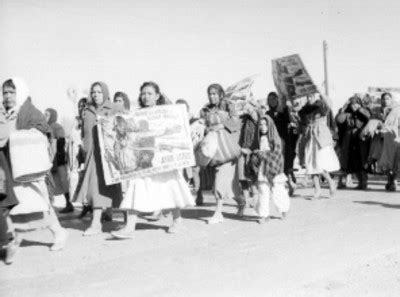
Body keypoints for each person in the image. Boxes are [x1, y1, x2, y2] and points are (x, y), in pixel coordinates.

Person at [111, 82, 194, 239]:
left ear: (157, 95)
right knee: (136, 187)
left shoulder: (167, 113)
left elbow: (175, 130)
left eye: (149, 93)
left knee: (171, 186)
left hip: (163, 159)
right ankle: (130, 227)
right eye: (143, 93)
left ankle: (178, 221)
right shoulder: (136, 115)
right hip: (144, 160)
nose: (146, 96)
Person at [1, 77, 68, 262]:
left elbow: (43, 133)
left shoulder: (30, 112)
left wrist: (15, 137)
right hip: (10, 169)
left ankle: (59, 232)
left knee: (38, 204)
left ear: (20, 92)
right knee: (12, 207)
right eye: (4, 92)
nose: (7, 96)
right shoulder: (4, 113)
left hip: (29, 169)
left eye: (11, 92)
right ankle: (13, 242)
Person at [73, 82, 123, 236]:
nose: (96, 95)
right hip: (93, 157)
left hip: (110, 157)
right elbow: (85, 135)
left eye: (99, 92)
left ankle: (127, 219)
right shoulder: (87, 111)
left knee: (114, 188)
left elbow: (123, 129)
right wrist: (83, 153)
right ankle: (96, 223)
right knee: (95, 188)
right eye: (93, 92)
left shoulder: (114, 108)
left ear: (105, 93)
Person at [199, 84, 244, 224]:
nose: (212, 96)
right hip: (214, 152)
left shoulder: (228, 106)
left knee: (220, 182)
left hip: (228, 150)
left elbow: (237, 122)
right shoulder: (205, 110)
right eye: (210, 94)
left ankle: (218, 213)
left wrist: (223, 125)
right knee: (230, 185)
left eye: (214, 93)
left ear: (220, 94)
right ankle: (241, 201)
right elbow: (203, 127)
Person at [247, 115, 290, 223]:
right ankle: (264, 215)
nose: (262, 127)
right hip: (262, 168)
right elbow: (254, 150)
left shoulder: (275, 138)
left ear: (270, 125)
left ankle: (283, 209)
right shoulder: (258, 139)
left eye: (265, 124)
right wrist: (255, 154)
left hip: (273, 168)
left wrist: (264, 154)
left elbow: (277, 154)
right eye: (260, 124)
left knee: (278, 190)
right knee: (263, 191)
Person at [298, 94, 339, 199]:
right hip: (310, 138)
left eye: (311, 95)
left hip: (321, 138)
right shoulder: (306, 108)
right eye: (308, 96)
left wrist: (322, 94)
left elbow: (328, 106)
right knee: (311, 164)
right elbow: (301, 115)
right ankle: (317, 189)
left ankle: (331, 182)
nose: (309, 97)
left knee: (320, 164)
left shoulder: (320, 105)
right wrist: (306, 104)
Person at [336, 96, 371, 189]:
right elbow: (339, 120)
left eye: (356, 103)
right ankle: (348, 181)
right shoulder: (347, 113)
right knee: (350, 159)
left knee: (362, 159)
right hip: (348, 138)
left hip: (361, 138)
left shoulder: (365, 110)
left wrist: (359, 109)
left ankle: (363, 182)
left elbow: (368, 117)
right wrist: (343, 109)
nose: (354, 105)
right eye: (352, 103)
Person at [45, 108, 72, 212]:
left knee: (63, 181)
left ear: (52, 115)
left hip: (58, 159)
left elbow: (61, 141)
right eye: (44, 114)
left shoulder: (56, 126)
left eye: (47, 114)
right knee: (51, 182)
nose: (45, 116)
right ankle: (50, 205)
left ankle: (69, 204)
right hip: (50, 159)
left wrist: (58, 158)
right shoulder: (46, 127)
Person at [176, 99, 202, 205]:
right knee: (182, 175)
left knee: (195, 173)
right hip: (180, 152)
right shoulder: (174, 121)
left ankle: (199, 196)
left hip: (194, 151)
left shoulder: (194, 120)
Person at [377, 93, 400, 191]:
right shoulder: (379, 110)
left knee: (394, 161)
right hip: (383, 138)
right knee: (385, 161)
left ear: (391, 99)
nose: (385, 101)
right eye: (383, 99)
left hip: (394, 137)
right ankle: (390, 181)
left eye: (387, 98)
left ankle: (393, 181)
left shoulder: (397, 110)